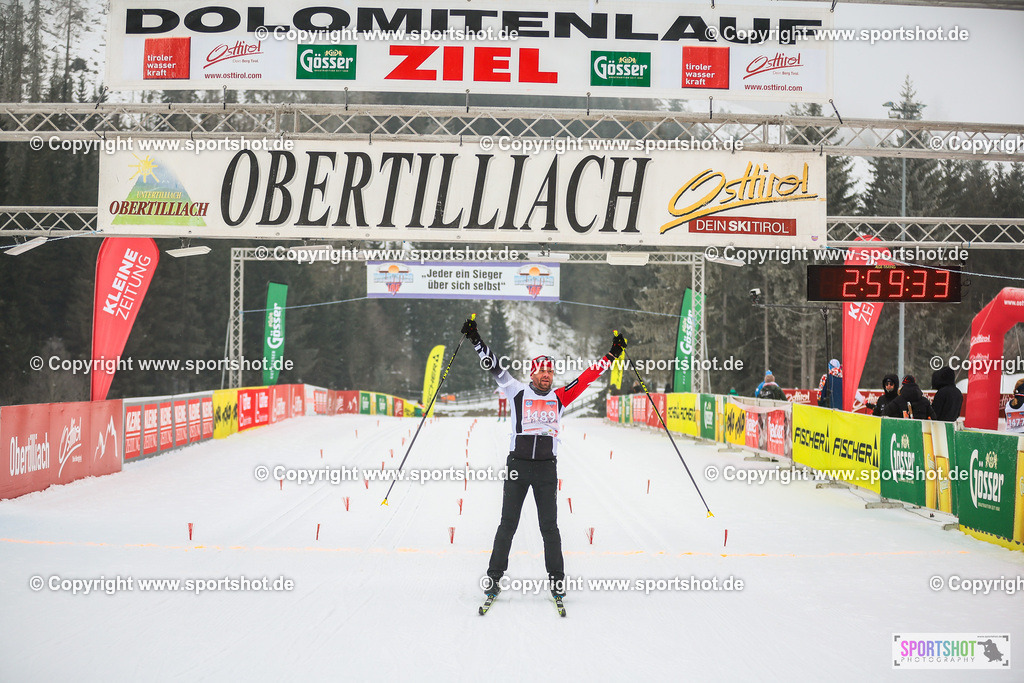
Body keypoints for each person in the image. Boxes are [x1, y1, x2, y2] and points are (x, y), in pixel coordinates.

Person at [462, 316, 625, 601]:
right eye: (541, 372)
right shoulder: (516, 391)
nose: (546, 375)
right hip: (518, 466)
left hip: (546, 469)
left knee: (549, 528)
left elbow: (587, 377)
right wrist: (476, 339)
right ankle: (494, 578)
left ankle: (557, 581)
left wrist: (610, 355)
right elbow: (495, 368)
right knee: (507, 525)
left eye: (549, 372)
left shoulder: (560, 396)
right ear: (532, 374)